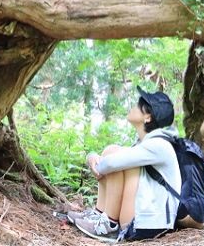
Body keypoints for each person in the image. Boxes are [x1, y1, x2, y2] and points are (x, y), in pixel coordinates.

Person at [68, 87, 181, 243]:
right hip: (147, 220)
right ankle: (100, 215)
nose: (132, 107)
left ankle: (109, 224)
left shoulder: (160, 144)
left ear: (147, 117)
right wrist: (95, 157)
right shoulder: (146, 145)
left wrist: (93, 158)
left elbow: (111, 163)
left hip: (151, 224)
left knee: (113, 154)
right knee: (113, 151)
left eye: (137, 106)